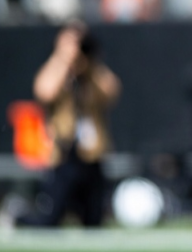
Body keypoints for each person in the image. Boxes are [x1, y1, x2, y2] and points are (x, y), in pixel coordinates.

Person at [15, 22, 121, 227]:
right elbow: (44, 92)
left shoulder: (93, 74)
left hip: (92, 155)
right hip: (64, 155)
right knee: (49, 221)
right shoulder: (56, 70)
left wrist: (91, 62)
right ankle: (17, 216)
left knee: (94, 222)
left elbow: (112, 92)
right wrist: (63, 59)